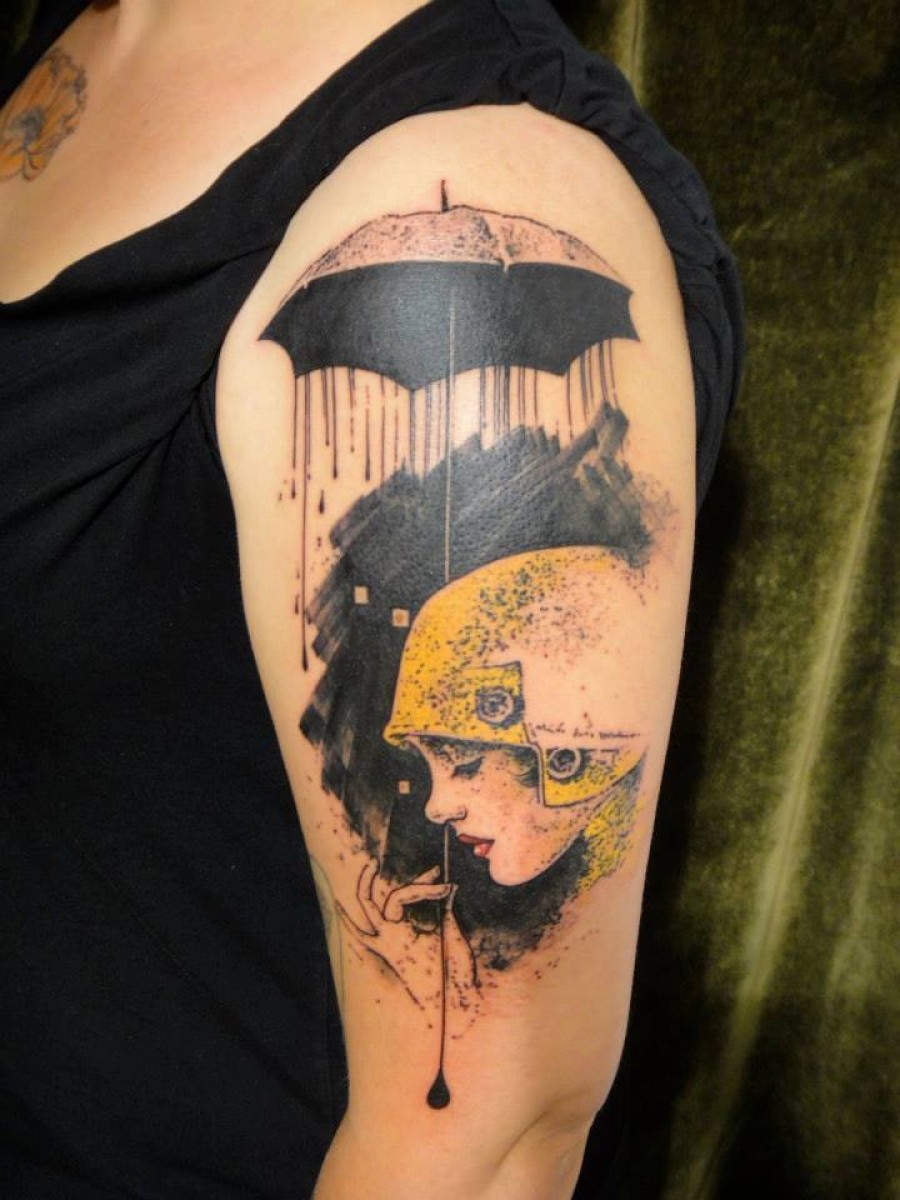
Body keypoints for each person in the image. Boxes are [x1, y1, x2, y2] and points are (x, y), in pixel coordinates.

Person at [0, 1, 743, 1197]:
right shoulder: (81, 36)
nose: (442, 791)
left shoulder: (458, 218)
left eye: (466, 753)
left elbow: (482, 1144)